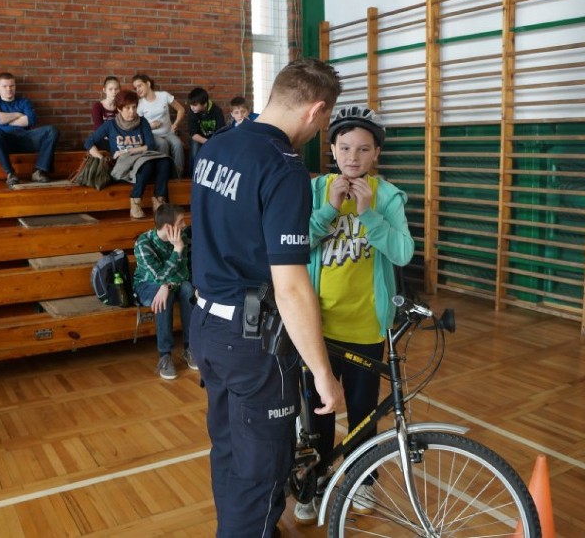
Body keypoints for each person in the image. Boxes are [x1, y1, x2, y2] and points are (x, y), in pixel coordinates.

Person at [189, 58, 345, 538]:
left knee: (230, 451)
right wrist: (323, 375)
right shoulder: (283, 168)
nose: (319, 130)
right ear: (316, 109)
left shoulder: (217, 145)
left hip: (206, 326)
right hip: (250, 339)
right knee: (261, 474)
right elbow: (292, 284)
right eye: (324, 121)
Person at [294, 106, 415, 525]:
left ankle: (362, 479)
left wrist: (368, 216)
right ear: (331, 148)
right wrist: (329, 210)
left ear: (376, 153)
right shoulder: (314, 190)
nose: (352, 156)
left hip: (365, 326)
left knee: (363, 413)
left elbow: (402, 253)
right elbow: (294, 246)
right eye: (344, 147)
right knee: (317, 413)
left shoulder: (388, 196)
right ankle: (317, 479)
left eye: (363, 149)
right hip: (317, 328)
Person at [84, 89, 172, 219]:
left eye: (134, 107)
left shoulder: (142, 122)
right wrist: (101, 158)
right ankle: (135, 201)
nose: (132, 111)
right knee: (147, 165)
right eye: (127, 108)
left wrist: (127, 150)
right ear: (119, 109)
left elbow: (150, 146)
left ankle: (159, 201)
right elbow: (89, 142)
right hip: (124, 164)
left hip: (142, 157)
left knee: (164, 161)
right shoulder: (111, 125)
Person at [133, 203, 195, 380]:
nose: (184, 225)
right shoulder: (143, 243)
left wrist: (167, 285)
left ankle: (189, 348)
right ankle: (165, 355)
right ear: (169, 227)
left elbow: (184, 273)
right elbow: (158, 278)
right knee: (164, 298)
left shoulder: (182, 237)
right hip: (146, 285)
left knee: (188, 289)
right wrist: (177, 251)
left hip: (171, 284)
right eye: (181, 222)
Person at [0, 72, 59, 188]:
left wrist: (3, 116)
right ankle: (10, 173)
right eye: (5, 86)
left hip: (25, 138)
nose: (9, 89)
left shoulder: (24, 102)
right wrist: (18, 114)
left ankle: (38, 171)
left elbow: (31, 120)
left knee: (52, 131)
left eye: (12, 86)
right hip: (5, 140)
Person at [133, 74, 187, 178]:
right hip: (153, 134)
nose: (137, 90)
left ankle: (177, 176)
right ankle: (163, 175)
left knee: (178, 144)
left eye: (139, 86)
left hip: (168, 132)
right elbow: (139, 126)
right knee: (163, 144)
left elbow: (181, 109)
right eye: (135, 88)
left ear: (148, 84)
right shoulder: (140, 104)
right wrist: (150, 126)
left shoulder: (164, 95)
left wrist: (175, 124)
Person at [186, 87, 226, 166]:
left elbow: (220, 131)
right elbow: (193, 134)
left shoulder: (217, 111)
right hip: (198, 139)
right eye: (191, 104)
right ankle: (193, 175)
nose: (192, 107)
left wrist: (212, 142)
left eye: (195, 105)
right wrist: (207, 142)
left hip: (214, 139)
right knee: (195, 150)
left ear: (204, 104)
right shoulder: (192, 112)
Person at [91, 76, 121, 150]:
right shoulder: (98, 106)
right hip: (102, 138)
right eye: (110, 89)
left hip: (119, 138)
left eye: (116, 89)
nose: (114, 92)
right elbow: (99, 128)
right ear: (104, 90)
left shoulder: (121, 106)